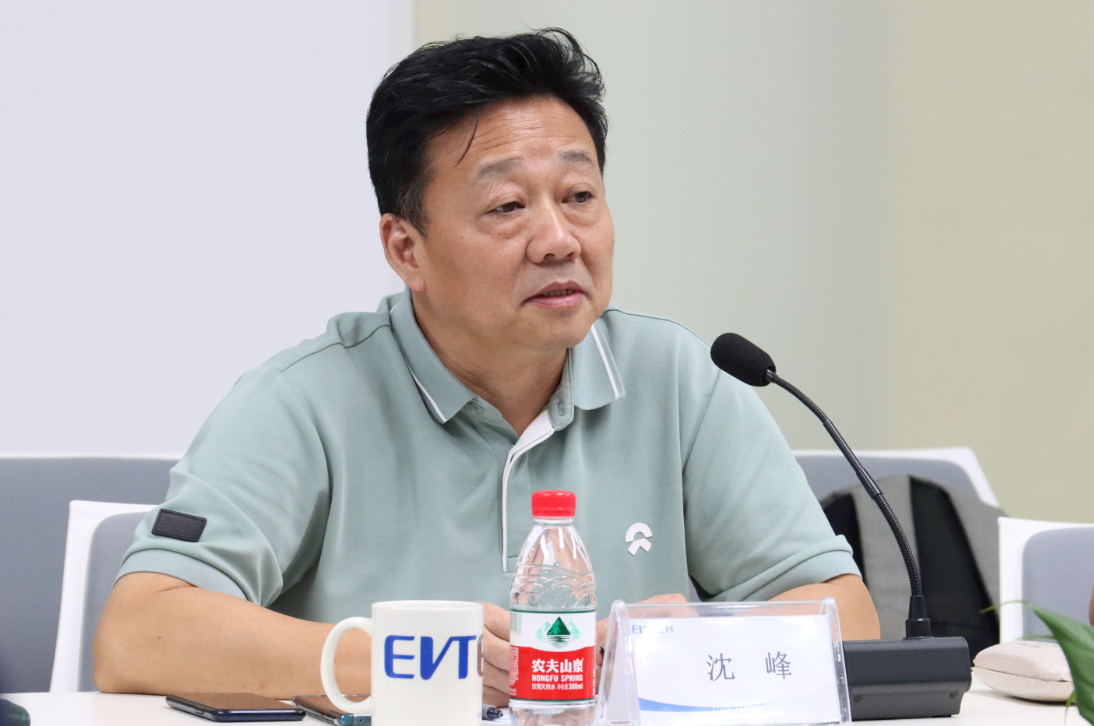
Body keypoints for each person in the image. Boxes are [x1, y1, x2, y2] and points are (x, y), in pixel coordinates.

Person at [94, 29, 879, 703]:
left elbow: (845, 617)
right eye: (507, 208)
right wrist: (416, 661)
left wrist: (693, 647)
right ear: (407, 248)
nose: (558, 240)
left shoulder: (677, 379)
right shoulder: (304, 402)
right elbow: (139, 635)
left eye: (579, 195)